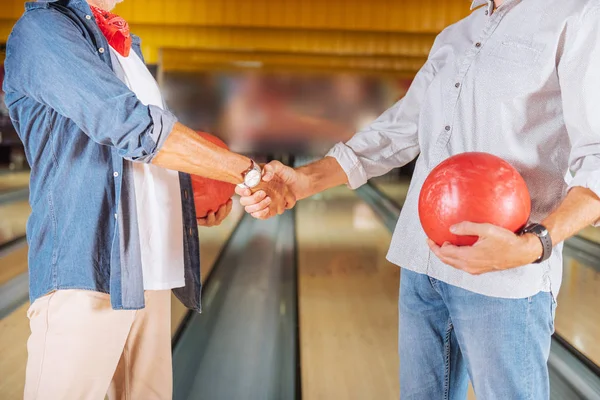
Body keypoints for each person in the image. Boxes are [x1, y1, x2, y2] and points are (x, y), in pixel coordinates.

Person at [238, 0, 600, 398]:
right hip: (422, 264)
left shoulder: (577, 14)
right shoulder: (455, 35)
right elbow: (399, 130)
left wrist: (534, 245)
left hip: (502, 279)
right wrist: (303, 179)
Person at [3, 0, 293, 398]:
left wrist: (186, 204)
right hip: (87, 274)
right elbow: (131, 128)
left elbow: (140, 164)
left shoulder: (126, 48)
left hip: (149, 277)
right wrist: (247, 172)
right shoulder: (44, 30)